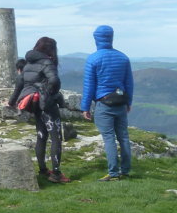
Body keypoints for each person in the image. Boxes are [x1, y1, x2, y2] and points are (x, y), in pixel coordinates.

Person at [8, 36, 69, 183]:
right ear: (51, 50)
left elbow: (20, 84)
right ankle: (55, 174)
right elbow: (54, 80)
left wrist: (11, 102)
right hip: (47, 105)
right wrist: (50, 93)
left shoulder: (28, 64)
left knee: (41, 136)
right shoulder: (47, 62)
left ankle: (42, 169)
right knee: (55, 137)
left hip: (35, 105)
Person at [81, 25, 134, 181]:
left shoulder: (93, 58)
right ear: (111, 37)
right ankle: (125, 170)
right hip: (121, 103)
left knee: (109, 138)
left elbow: (89, 85)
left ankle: (113, 173)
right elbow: (129, 83)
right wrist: (129, 101)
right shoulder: (123, 57)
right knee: (123, 137)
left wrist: (85, 107)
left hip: (104, 104)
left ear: (96, 39)